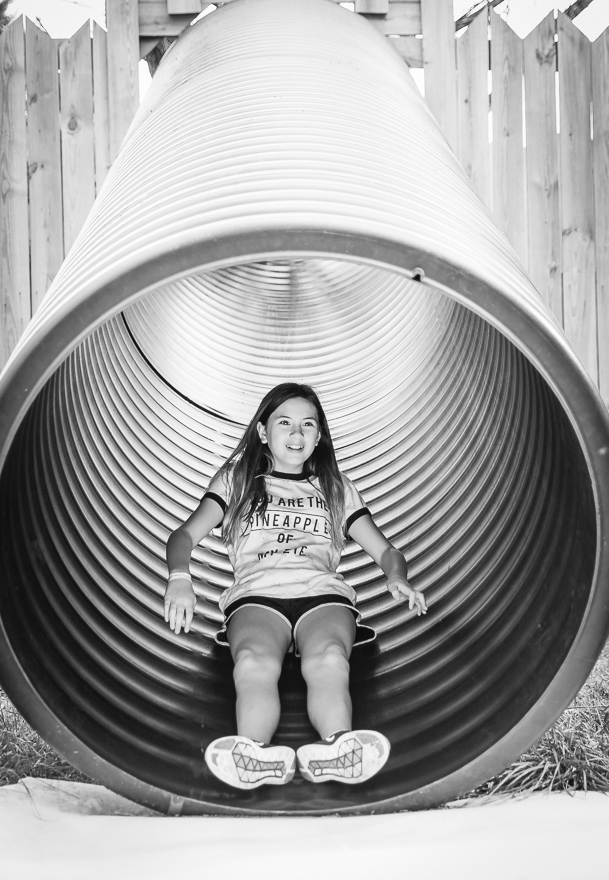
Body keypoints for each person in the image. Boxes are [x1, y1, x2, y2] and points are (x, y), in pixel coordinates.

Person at [164, 383, 427, 790]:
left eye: (308, 425)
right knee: (252, 661)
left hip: (322, 595)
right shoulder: (237, 481)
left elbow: (386, 550)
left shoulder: (335, 487)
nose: (297, 434)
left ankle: (340, 749)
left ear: (319, 436)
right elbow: (183, 535)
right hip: (257, 596)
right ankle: (252, 754)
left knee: (329, 659)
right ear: (263, 431)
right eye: (284, 423)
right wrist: (180, 578)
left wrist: (397, 577)